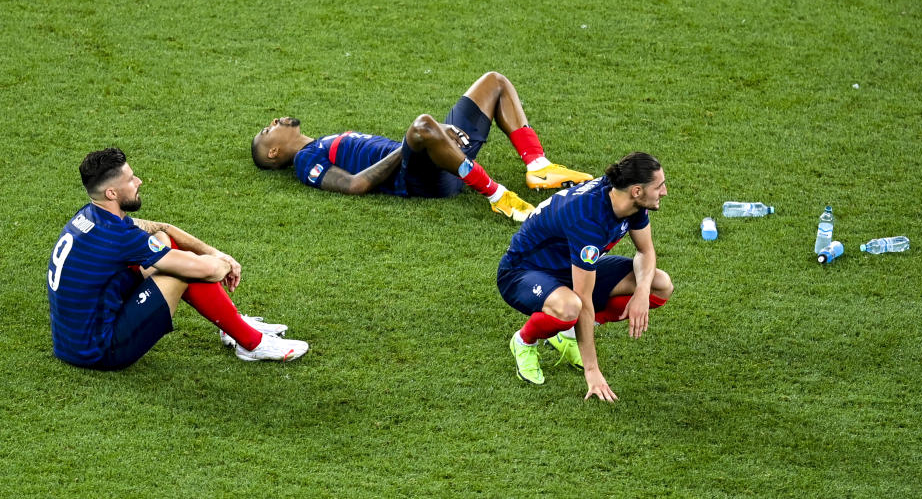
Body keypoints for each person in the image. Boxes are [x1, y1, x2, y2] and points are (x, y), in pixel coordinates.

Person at [47, 148, 309, 370]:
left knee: (164, 242)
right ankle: (251, 343)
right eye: (130, 179)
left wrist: (214, 252)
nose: (138, 181)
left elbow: (163, 229)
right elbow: (207, 271)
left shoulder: (90, 215)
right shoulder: (118, 236)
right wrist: (224, 263)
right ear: (112, 194)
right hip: (98, 352)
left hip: (72, 341)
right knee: (182, 271)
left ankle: (234, 325)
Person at [250, 72, 594, 222]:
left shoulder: (322, 141)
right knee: (423, 124)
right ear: (273, 153)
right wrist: (413, 142)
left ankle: (538, 166)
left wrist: (436, 139)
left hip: (440, 155)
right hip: (418, 178)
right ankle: (497, 197)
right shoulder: (306, 161)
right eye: (269, 130)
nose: (276, 121)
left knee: (494, 82)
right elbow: (355, 186)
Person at [496, 152, 674, 402]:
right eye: (659, 186)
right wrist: (593, 372)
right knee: (571, 307)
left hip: (569, 269)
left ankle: (567, 337)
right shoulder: (587, 220)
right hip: (522, 272)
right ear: (637, 191)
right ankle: (524, 341)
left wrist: (642, 291)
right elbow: (584, 298)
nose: (664, 191)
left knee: (659, 285)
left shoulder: (627, 199)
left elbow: (645, 251)